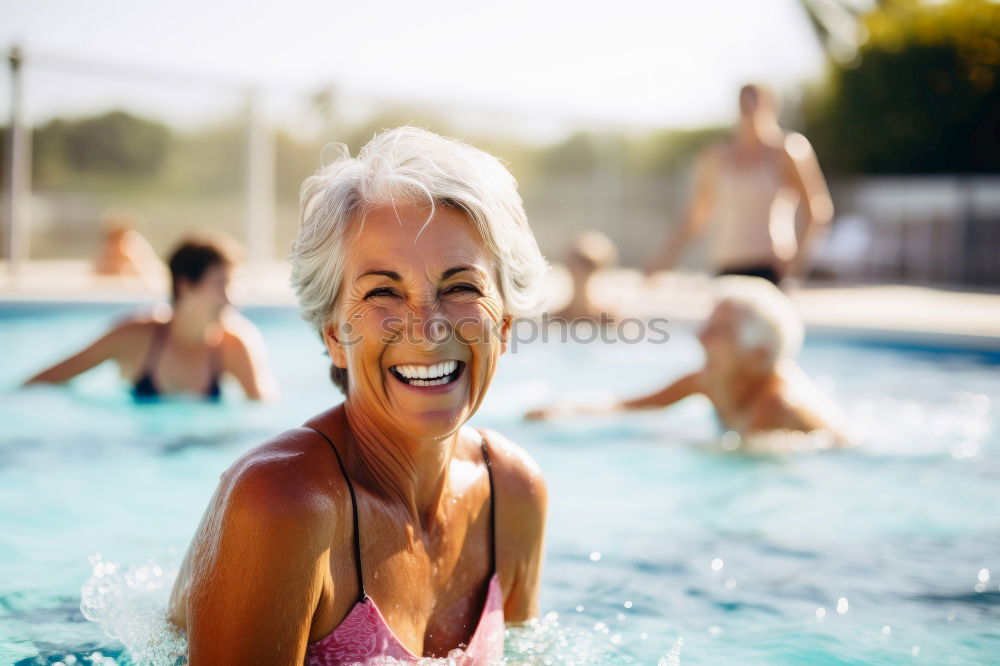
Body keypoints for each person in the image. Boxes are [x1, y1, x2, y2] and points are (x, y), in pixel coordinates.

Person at [168, 127, 549, 663]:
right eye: (383, 291)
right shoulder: (282, 503)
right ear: (335, 337)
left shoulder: (512, 492)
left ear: (504, 326)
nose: (428, 327)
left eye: (461, 286)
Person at [527, 276, 846, 450]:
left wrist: (665, 443)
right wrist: (566, 409)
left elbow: (741, 457)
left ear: (758, 354)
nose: (700, 336)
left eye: (718, 331)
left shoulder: (777, 407)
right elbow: (631, 406)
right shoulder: (709, 379)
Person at [25, 234, 275, 401]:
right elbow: (44, 382)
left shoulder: (234, 345)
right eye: (221, 284)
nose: (231, 298)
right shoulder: (135, 337)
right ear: (185, 285)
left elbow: (263, 412)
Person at [644, 84, 834, 285]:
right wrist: (664, 258)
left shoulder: (787, 151)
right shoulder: (718, 157)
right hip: (727, 263)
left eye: (755, 104)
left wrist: (797, 262)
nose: (750, 112)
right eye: (744, 105)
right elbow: (697, 215)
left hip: (770, 265)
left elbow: (817, 209)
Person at [552, 231, 619, 321]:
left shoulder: (608, 319)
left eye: (587, 265)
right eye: (574, 263)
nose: (579, 270)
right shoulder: (556, 318)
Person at [93, 213, 164, 283]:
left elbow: (145, 276)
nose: (113, 247)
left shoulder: (133, 249)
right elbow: (97, 273)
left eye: (116, 240)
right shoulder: (106, 254)